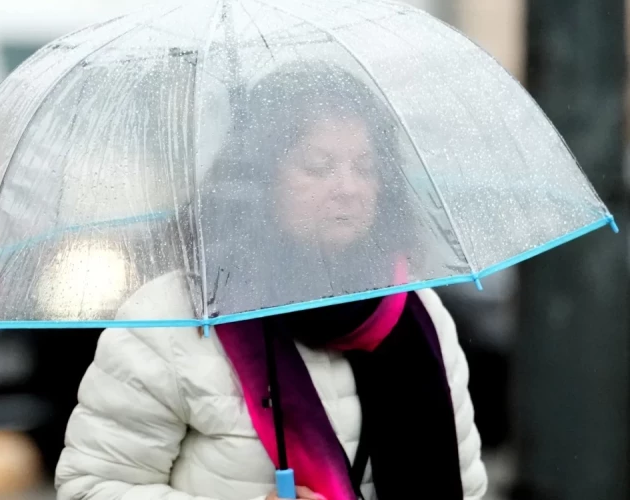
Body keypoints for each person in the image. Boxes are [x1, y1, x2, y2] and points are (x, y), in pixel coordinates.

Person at [55, 65, 488, 499]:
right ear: (259, 180)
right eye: (318, 167)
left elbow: (465, 489)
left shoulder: (416, 313)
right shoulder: (173, 318)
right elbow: (90, 486)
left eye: (366, 167)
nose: (348, 188)